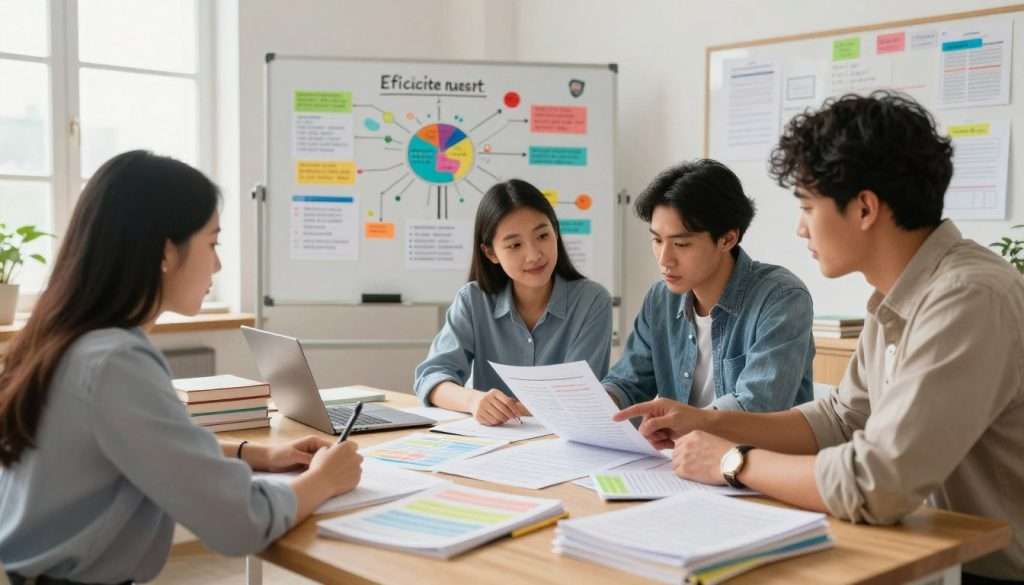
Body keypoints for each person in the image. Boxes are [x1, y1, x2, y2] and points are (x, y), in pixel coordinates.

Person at [614, 92, 1024, 584]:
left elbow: (877, 483)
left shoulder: (967, 298)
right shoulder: (902, 293)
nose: (801, 227)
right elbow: (842, 416)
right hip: (919, 548)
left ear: (865, 208)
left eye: (808, 206)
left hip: (985, 569)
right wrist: (706, 420)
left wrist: (731, 459)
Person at [0, 151, 363, 584]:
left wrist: (254, 453)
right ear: (165, 252)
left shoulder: (65, 339)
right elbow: (239, 522)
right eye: (212, 243)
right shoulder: (116, 361)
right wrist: (325, 480)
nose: (218, 264)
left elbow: (136, 447)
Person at [602, 159, 814, 412]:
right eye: (657, 240)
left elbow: (758, 405)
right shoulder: (661, 299)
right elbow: (627, 383)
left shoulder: (781, 298)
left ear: (727, 239)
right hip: (679, 450)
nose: (664, 259)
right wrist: (595, 403)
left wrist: (686, 423)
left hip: (751, 450)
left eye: (681, 244)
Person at [414, 179, 612, 425]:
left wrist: (504, 409)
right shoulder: (473, 300)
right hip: (493, 446)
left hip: (568, 446)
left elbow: (578, 396)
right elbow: (431, 378)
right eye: (515, 245)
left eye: (542, 235)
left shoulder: (592, 301)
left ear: (555, 232)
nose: (534, 254)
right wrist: (474, 401)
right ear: (491, 253)